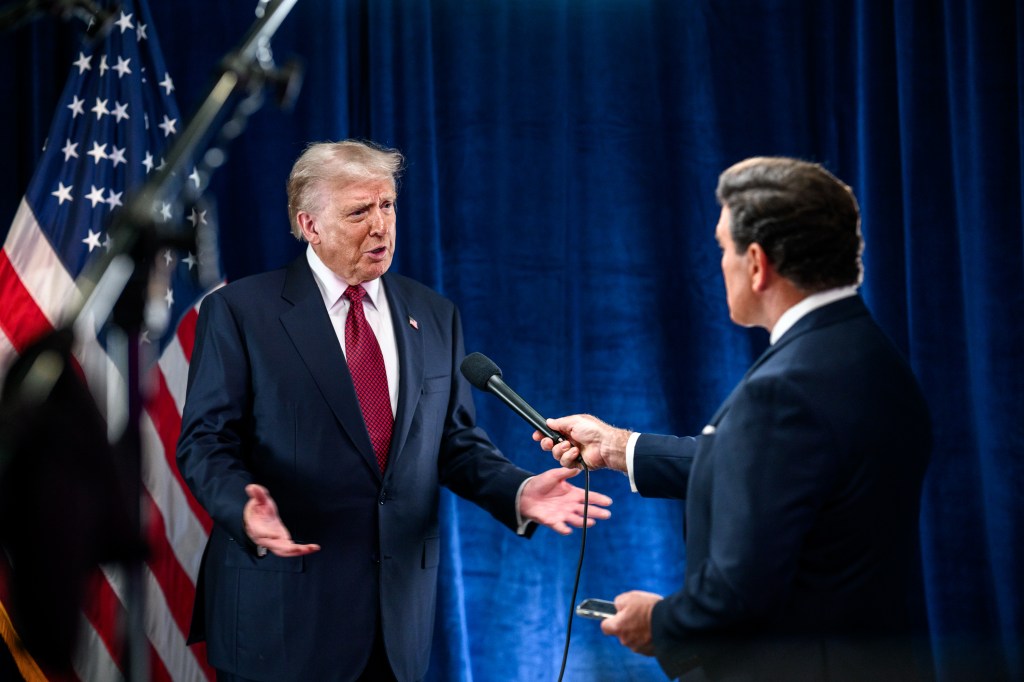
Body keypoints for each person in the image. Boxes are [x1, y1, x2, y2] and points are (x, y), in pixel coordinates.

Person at [176, 139, 612, 682]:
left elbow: (455, 443)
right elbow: (204, 442)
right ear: (309, 224)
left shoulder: (432, 314)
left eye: (387, 206)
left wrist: (516, 490)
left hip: (396, 622)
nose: (380, 226)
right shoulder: (241, 311)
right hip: (280, 615)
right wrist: (241, 505)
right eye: (360, 211)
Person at [537, 156, 933, 681]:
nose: (718, 262)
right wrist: (618, 448)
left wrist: (662, 621)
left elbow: (742, 585)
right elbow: (783, 472)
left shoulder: (785, 390)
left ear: (756, 262)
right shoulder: (869, 353)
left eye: (722, 247)